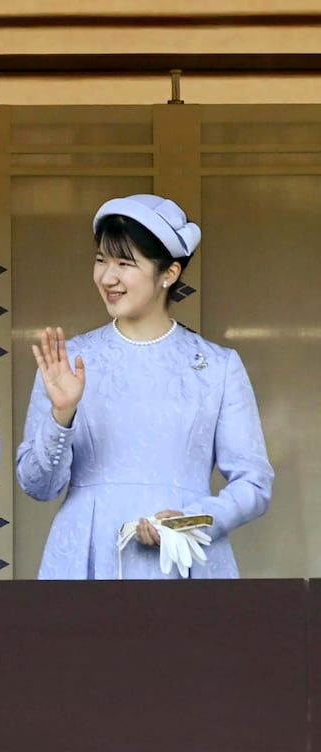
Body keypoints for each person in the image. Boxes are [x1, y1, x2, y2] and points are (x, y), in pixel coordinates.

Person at [18, 194, 273, 579]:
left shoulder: (217, 366)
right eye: (101, 260)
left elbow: (254, 483)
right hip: (86, 556)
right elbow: (39, 486)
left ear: (168, 273)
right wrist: (61, 416)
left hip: (183, 557)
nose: (107, 277)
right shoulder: (67, 362)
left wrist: (192, 521)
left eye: (125, 263)